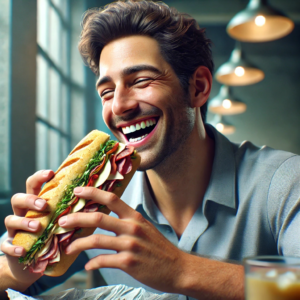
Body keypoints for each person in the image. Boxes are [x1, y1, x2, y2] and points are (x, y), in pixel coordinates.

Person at [1, 1, 300, 299]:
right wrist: (17, 272)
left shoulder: (284, 182)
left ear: (198, 87)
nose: (119, 105)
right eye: (107, 92)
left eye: (141, 81)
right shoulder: (92, 203)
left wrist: (182, 270)